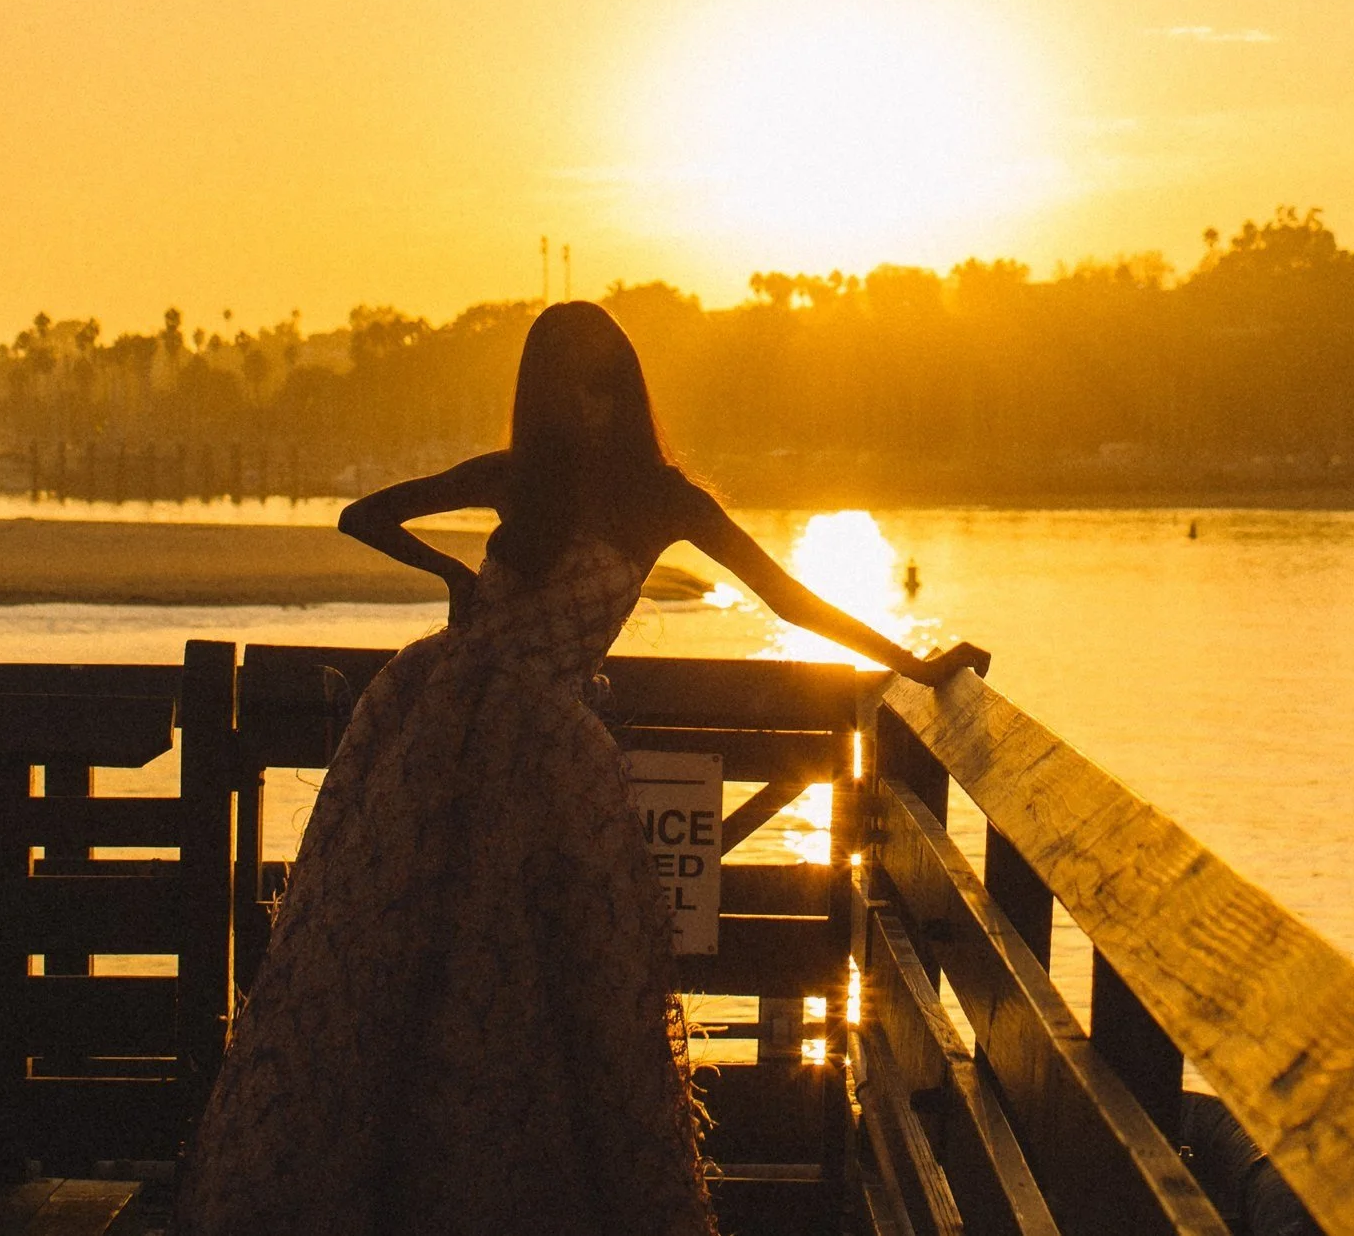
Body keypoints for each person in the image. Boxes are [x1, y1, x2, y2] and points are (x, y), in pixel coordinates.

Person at [176, 301, 987, 1236]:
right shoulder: (521, 477)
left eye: (607, 384)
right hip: (441, 730)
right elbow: (365, 516)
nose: (592, 404)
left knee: (542, 976)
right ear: (547, 398)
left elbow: (793, 600)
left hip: (533, 754)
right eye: (573, 388)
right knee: (384, 958)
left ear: (630, 389)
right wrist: (451, 578)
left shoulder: (661, 499)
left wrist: (920, 663)